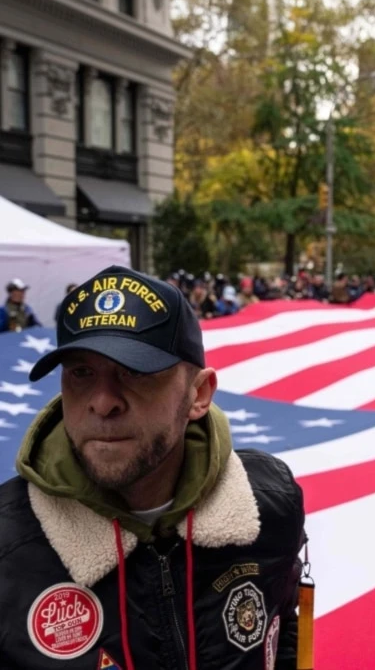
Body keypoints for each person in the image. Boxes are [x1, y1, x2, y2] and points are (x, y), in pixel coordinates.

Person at [0, 266, 305, 669]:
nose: (103, 401)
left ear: (199, 394)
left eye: (135, 372)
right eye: (81, 373)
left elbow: (280, 634)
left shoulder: (270, 504)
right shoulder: (8, 544)